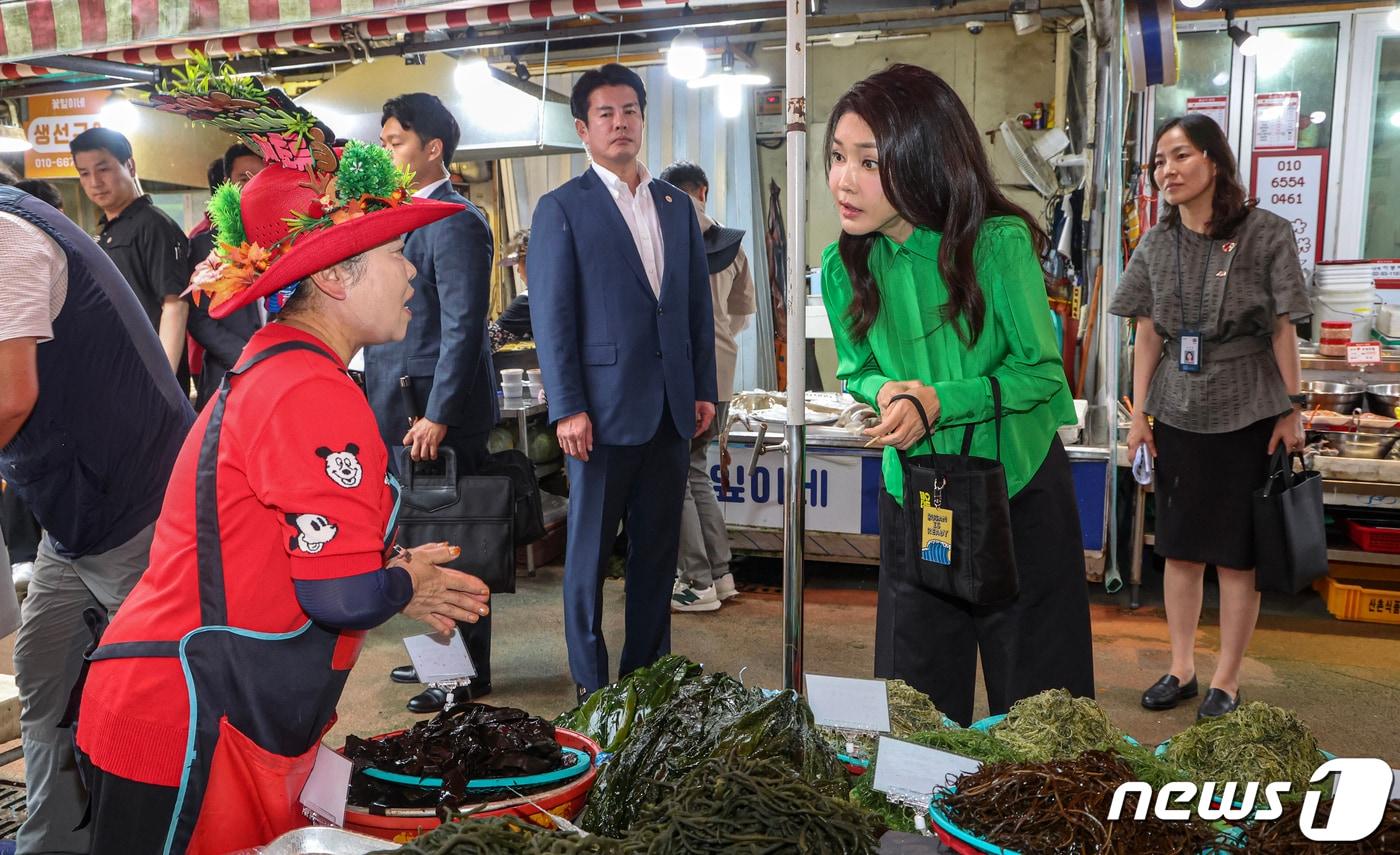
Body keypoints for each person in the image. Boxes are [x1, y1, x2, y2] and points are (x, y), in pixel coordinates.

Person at [73, 132, 492, 852]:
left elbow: (304, 546)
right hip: (187, 720)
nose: (412, 274)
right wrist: (398, 578)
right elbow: (341, 596)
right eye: (395, 255)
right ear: (337, 277)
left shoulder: (278, 365)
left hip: (183, 703)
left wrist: (393, 576)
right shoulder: (310, 390)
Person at [819, 64, 1094, 728]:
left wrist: (940, 400)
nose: (842, 180)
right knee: (914, 703)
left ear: (921, 159)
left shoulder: (997, 246)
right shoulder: (844, 265)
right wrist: (887, 389)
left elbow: (1042, 374)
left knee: (1039, 711)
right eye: (835, 157)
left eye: (867, 160)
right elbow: (856, 368)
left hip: (1018, 496)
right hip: (917, 502)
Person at [0, 163, 194, 855]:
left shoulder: (5, 236)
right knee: (48, 668)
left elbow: (10, 396)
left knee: (160, 696)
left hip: (135, 503)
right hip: (74, 508)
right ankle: (52, 843)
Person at [530, 63, 717, 701]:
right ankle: (590, 685)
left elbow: (695, 308)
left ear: (643, 118)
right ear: (583, 129)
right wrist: (568, 407)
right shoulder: (562, 209)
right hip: (599, 416)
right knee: (586, 559)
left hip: (668, 409)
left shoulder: (673, 205)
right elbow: (552, 318)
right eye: (606, 114)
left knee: (656, 555)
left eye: (631, 111)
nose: (620, 123)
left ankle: (647, 681)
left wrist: (703, 389)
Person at [1111, 114, 1309, 719]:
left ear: (1214, 161)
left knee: (1235, 553)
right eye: (1158, 163)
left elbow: (1282, 330)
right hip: (1176, 408)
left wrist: (1293, 410)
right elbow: (1146, 335)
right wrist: (1140, 415)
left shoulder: (1268, 233)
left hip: (1248, 408)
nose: (1166, 171)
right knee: (1178, 549)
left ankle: (1227, 678)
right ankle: (1181, 668)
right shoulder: (1155, 241)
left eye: (1178, 157)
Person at [370, 93, 500, 714]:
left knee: (453, 542)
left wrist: (440, 414)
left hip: (433, 415)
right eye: (384, 140)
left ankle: (461, 674)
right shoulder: (400, 214)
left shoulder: (453, 220)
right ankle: (442, 659)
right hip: (401, 405)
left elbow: (464, 327)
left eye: (395, 141)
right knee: (417, 542)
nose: (386, 151)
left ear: (433, 149)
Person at [658, 161, 756, 612]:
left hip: (682, 374)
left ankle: (696, 583)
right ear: (705, 190)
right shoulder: (733, 245)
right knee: (697, 474)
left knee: (675, 479)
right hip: (721, 370)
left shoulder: (664, 234)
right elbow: (741, 314)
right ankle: (720, 574)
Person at [71, 128, 192, 381]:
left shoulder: (154, 225)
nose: (94, 182)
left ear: (130, 166)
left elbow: (175, 307)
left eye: (103, 169)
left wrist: (163, 382)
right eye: (84, 173)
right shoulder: (107, 231)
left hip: (148, 378)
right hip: (118, 373)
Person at [187, 143, 266, 410]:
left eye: (261, 176)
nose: (252, 185)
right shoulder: (203, 245)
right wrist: (247, 356)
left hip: (280, 370)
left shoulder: (285, 239)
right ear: (227, 183)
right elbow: (199, 320)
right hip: (227, 374)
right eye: (244, 178)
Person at [489, 229, 534, 351]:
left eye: (518, 263)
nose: (518, 270)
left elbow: (490, 342)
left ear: (529, 263)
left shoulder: (529, 299)